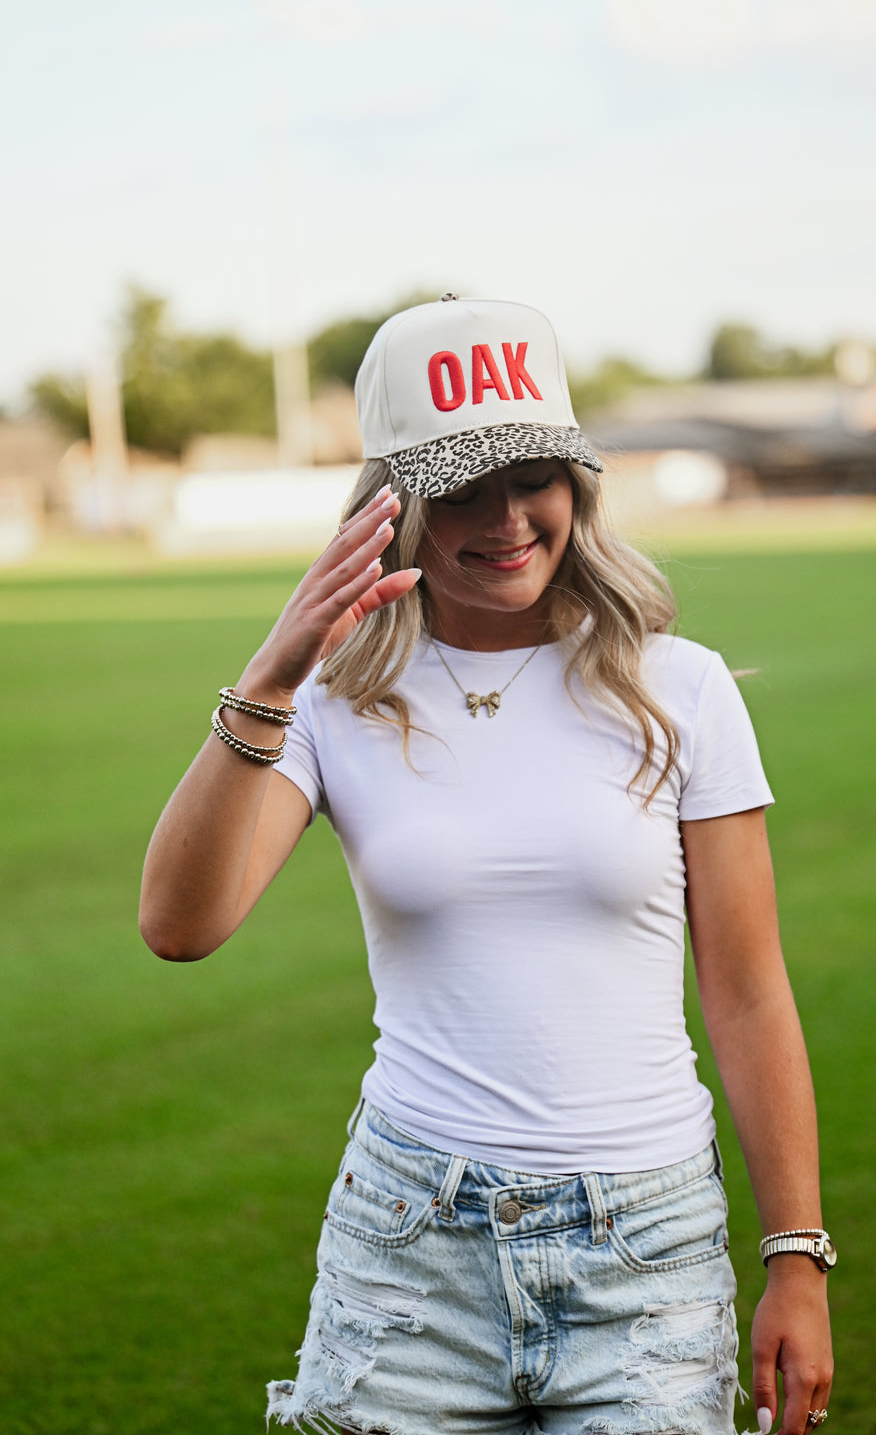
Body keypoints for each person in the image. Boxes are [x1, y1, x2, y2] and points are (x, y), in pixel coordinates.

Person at [140, 295, 833, 1435]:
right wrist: (271, 675)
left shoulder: (683, 687)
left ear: (577, 486)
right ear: (391, 506)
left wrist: (796, 1256)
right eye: (461, 487)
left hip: (647, 1246)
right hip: (411, 1244)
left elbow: (750, 992)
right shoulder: (332, 700)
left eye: (534, 479)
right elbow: (180, 922)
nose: (506, 519)